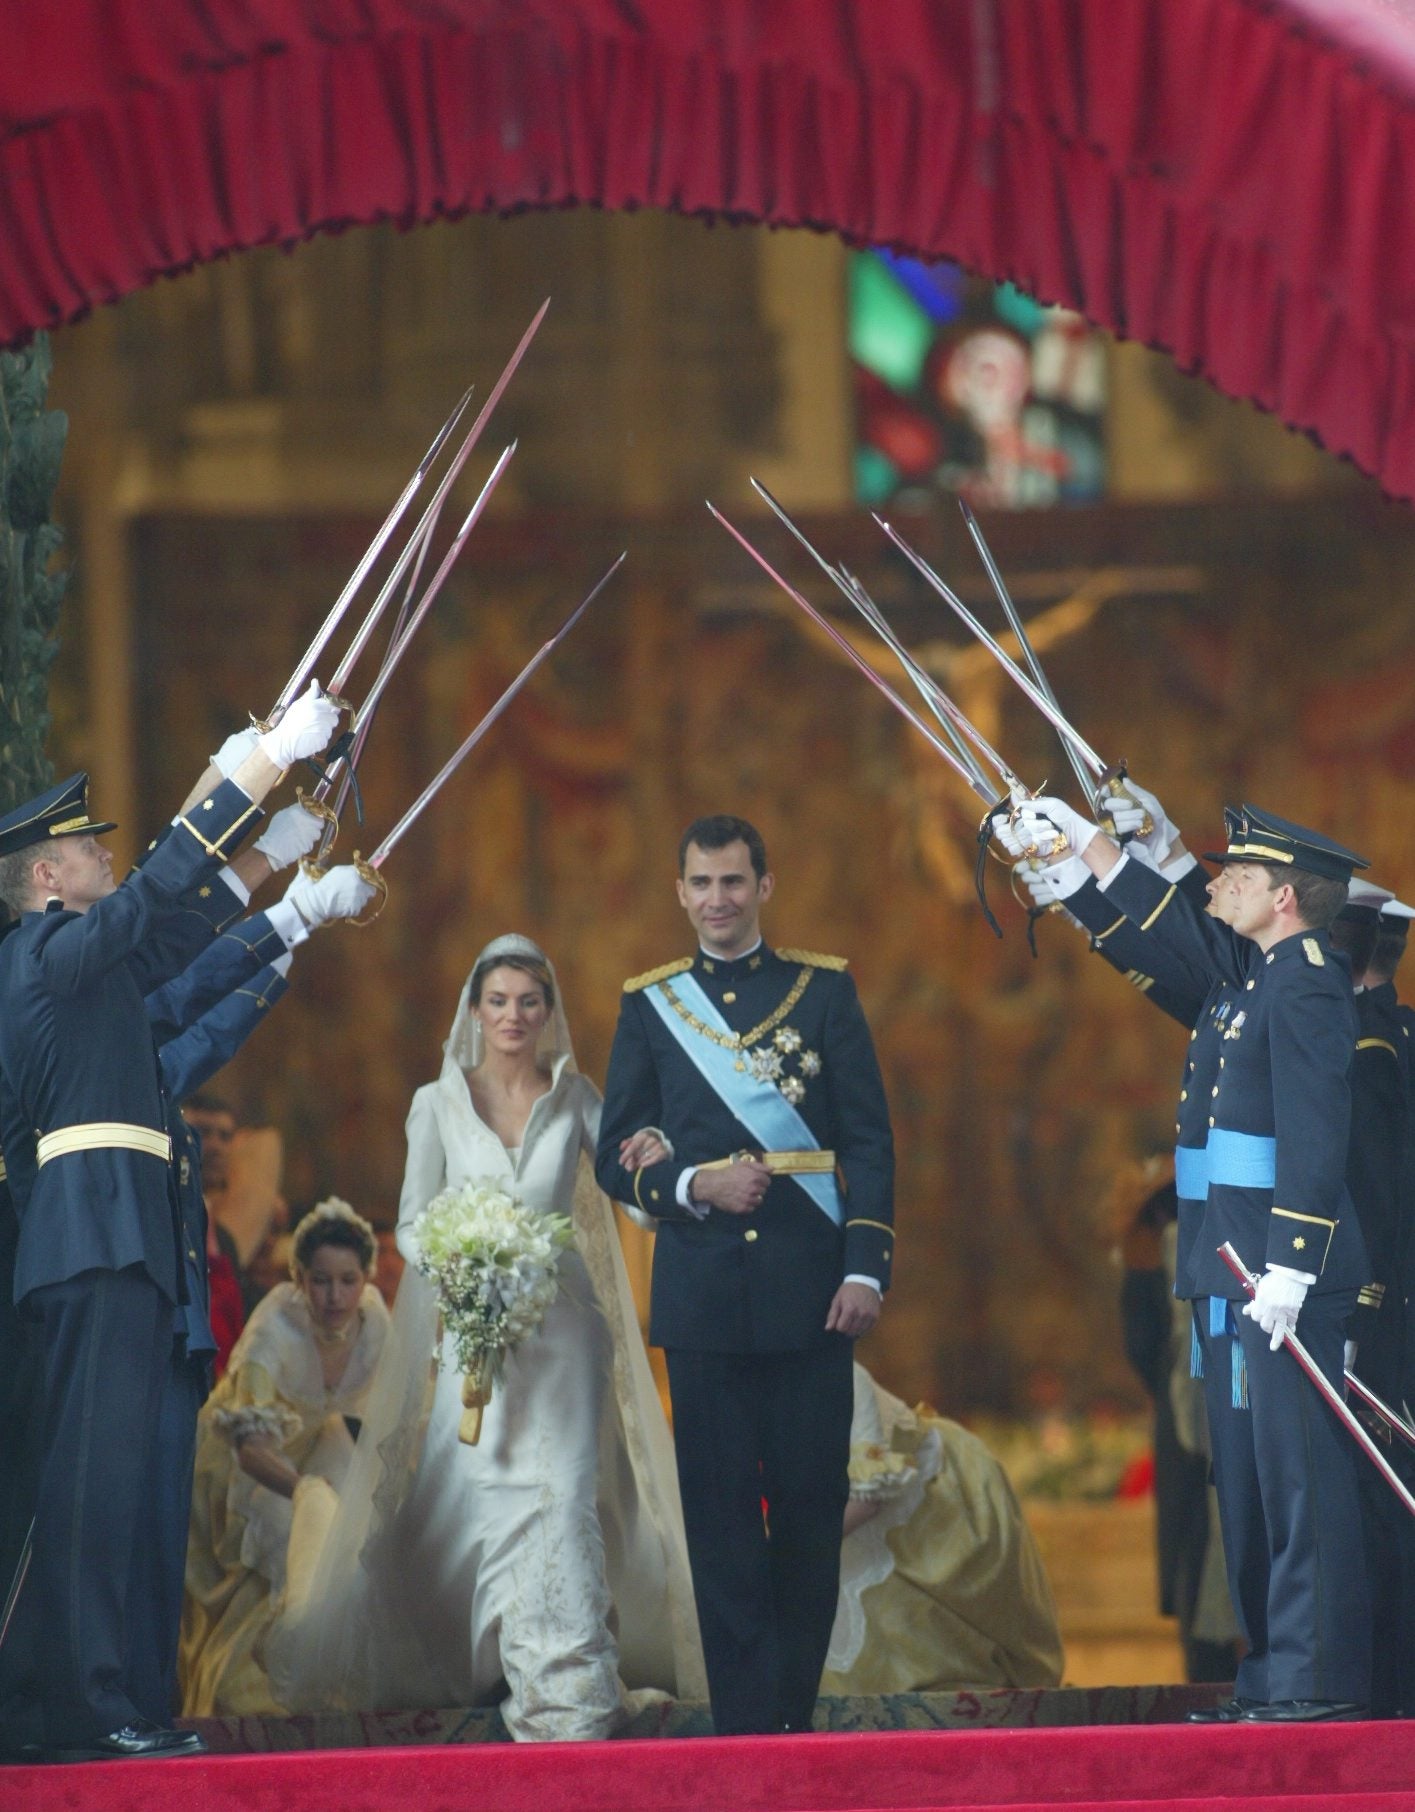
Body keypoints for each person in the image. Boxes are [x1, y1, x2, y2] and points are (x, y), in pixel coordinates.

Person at [0, 687, 339, 1763]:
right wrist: (258, 766)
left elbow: (177, 945)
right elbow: (149, 901)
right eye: (84, 849)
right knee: (96, 1487)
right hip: (90, 1239)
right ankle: (86, 1711)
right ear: (46, 879)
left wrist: (278, 879)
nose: (103, 856)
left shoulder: (83, 970)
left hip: (126, 1239)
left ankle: (129, 1700)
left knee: (136, 1487)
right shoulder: (39, 957)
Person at [264, 934, 705, 1738]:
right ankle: (488, 1660)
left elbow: (635, 1201)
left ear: (548, 1013)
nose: (513, 1015)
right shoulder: (437, 1104)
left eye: (528, 1002)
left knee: (564, 1492)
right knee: (485, 1496)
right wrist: (468, 1262)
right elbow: (410, 1219)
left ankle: (567, 1679)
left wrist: (657, 1154)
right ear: (475, 1009)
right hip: (476, 1331)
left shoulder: (576, 1098)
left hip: (565, 1334)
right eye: (498, 1001)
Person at [1020, 793, 1373, 1723]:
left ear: (1286, 899)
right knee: (1251, 1481)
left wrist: (1294, 1261)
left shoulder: (1301, 979)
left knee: (1297, 1479)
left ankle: (1314, 1678)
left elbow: (1313, 1125)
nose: (1226, 886)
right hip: (1232, 1269)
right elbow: (1167, 947)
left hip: (1276, 1271)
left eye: (1243, 877)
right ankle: (1272, 1671)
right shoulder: (1253, 975)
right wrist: (1082, 867)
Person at [594, 814, 895, 1735]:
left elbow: (870, 1142)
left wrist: (866, 1271)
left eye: (732, 882)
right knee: (720, 1524)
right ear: (678, 892)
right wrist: (692, 1183)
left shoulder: (824, 992)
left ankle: (790, 1721)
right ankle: (744, 1729)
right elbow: (616, 1157)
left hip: (814, 1296)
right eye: (700, 884)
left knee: (808, 1515)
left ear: (764, 886)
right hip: (703, 1302)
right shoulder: (651, 1005)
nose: (717, 901)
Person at [179, 1199, 389, 1715]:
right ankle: (257, 1696)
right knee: (285, 1542)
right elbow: (249, 1447)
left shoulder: (377, 1323)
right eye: (320, 1281)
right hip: (249, 1464)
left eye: (347, 1280)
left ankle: (338, 1687)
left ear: (366, 1278)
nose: (335, 1296)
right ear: (298, 1277)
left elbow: (396, 1422)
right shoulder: (276, 1324)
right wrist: (306, 1495)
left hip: (326, 1453)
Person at [819, 1363, 1063, 1696]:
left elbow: (868, 1494)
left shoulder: (827, 1373)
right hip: (841, 1514)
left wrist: (771, 1557)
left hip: (921, 1501)